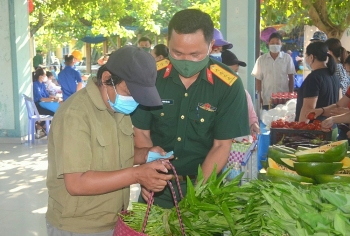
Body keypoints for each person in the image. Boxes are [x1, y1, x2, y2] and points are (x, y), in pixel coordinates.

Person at [45, 46, 173, 236]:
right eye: (129, 92)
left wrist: (146, 155)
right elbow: (76, 183)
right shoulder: (76, 114)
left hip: (113, 219)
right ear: (106, 79)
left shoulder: (118, 108)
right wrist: (137, 175)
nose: (134, 101)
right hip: (79, 227)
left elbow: (115, 158)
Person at [131, 9, 250, 209]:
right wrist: (149, 173)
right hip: (156, 187)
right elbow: (141, 132)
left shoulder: (228, 84)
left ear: (211, 46)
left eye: (195, 54)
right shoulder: (150, 77)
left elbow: (221, 145)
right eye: (177, 53)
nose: (185, 61)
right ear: (168, 42)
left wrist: (197, 195)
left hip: (204, 187)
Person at [295, 41, 339, 123]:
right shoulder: (334, 76)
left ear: (311, 57)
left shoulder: (313, 78)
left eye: (306, 56)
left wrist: (300, 130)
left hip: (315, 130)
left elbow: (308, 108)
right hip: (331, 126)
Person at [252, 32, 296, 110]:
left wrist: (290, 95)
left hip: (283, 99)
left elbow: (291, 78)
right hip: (267, 99)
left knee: (282, 121)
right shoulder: (261, 59)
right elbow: (258, 80)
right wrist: (259, 98)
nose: (274, 45)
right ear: (268, 44)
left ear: (281, 44)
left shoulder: (287, 58)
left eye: (277, 43)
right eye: (272, 43)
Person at [221, 50, 260, 135]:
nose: (235, 75)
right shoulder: (211, 94)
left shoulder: (243, 94)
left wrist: (254, 124)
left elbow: (251, 116)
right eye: (231, 71)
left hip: (238, 144)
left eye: (236, 71)